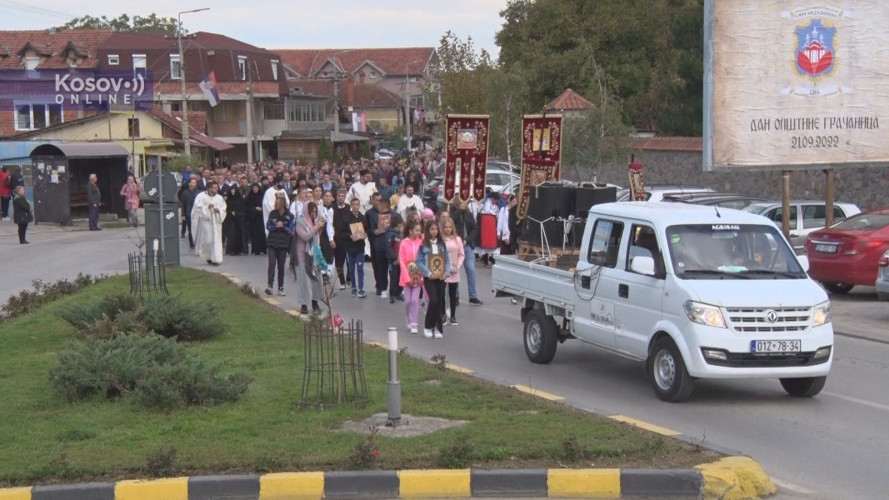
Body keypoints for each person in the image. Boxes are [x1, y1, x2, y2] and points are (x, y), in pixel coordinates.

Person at [416, 220, 450, 339]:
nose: (434, 231)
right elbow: (419, 261)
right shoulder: (423, 245)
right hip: (429, 277)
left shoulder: (442, 244)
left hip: (440, 277)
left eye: (436, 229)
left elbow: (446, 260)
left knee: (440, 302)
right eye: (432, 229)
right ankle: (428, 326)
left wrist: (446, 273)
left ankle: (438, 328)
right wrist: (427, 272)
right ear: (427, 230)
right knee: (433, 300)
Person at [294, 201, 326, 314]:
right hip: (303, 254)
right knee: (304, 280)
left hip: (315, 255)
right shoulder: (300, 221)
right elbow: (305, 236)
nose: (313, 214)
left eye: (315, 212)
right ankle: (304, 304)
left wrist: (319, 227)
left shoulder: (315, 221)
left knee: (317, 279)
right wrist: (316, 227)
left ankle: (315, 301)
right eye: (311, 212)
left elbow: (316, 236)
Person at [449, 198, 483, 305]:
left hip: (467, 245)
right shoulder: (452, 210)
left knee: (471, 270)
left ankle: (473, 296)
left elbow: (475, 228)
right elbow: (450, 222)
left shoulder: (468, 214)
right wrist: (459, 210)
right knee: (455, 270)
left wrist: (467, 240)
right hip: (455, 245)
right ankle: (455, 296)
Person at [191, 181, 226, 266]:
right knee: (208, 240)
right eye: (214, 188)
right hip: (207, 222)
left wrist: (219, 211)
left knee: (216, 241)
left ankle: (217, 259)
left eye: (217, 188)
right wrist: (207, 207)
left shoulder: (219, 198)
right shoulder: (202, 197)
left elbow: (223, 208)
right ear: (209, 188)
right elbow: (198, 209)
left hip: (216, 222)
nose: (216, 189)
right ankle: (208, 257)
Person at [398, 219, 424, 334]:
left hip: (418, 274)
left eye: (420, 230)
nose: (419, 232)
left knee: (415, 300)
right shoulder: (404, 243)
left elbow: (424, 258)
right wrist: (406, 277)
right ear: (410, 231)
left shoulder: (421, 242)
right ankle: (408, 317)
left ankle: (414, 323)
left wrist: (422, 274)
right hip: (407, 275)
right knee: (407, 301)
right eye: (417, 230)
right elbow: (402, 261)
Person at [266, 195, 294, 296]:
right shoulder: (272, 213)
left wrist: (283, 226)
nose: (275, 205)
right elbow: (268, 226)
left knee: (281, 267)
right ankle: (270, 285)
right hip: (272, 243)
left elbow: (291, 230)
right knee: (272, 264)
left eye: (277, 204)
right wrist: (275, 226)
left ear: (282, 204)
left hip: (283, 244)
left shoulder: (290, 216)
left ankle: (281, 287)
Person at [341, 197, 368, 297]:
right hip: (350, 247)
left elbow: (366, 230)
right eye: (354, 204)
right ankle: (354, 287)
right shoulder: (347, 218)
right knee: (351, 268)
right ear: (351, 206)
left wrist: (365, 235)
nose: (356, 206)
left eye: (357, 204)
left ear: (359, 205)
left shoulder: (362, 217)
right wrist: (350, 236)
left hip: (360, 247)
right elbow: (342, 232)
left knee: (360, 268)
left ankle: (361, 288)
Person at [441, 218, 465, 325]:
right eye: (446, 227)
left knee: (452, 294)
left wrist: (458, 265)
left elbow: (461, 254)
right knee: (442, 294)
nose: (448, 229)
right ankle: (443, 315)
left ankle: (453, 316)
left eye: (450, 227)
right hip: (442, 271)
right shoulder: (440, 239)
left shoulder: (457, 240)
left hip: (454, 271)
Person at [331, 189, 351, 290]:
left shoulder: (348, 208)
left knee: (349, 260)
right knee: (339, 261)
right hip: (336, 238)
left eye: (343, 196)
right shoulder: (332, 208)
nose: (340, 198)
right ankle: (342, 281)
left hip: (347, 238)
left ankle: (349, 279)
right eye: (339, 196)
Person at [385, 213, 405, 304]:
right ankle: (392, 295)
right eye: (401, 225)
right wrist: (394, 258)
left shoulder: (399, 234)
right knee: (393, 277)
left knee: (400, 276)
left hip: (400, 259)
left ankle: (399, 293)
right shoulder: (391, 234)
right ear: (399, 224)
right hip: (393, 261)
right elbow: (389, 247)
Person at [224, 185, 248, 255]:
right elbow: (225, 209)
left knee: (238, 235)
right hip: (230, 220)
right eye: (231, 190)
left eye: (234, 190)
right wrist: (230, 212)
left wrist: (237, 213)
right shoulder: (228, 199)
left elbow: (243, 210)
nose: (232, 191)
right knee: (231, 235)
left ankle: (238, 250)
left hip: (239, 221)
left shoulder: (240, 200)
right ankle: (231, 250)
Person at [246, 183, 267, 255]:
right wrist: (255, 208)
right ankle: (255, 249)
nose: (255, 189)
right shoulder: (250, 196)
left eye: (256, 188)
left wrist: (261, 208)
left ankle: (263, 249)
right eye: (254, 188)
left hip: (261, 217)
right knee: (255, 234)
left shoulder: (262, 195)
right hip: (253, 218)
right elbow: (248, 206)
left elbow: (265, 204)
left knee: (262, 233)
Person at [179, 178, 199, 250]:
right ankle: (192, 244)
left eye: (195, 183)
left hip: (197, 213)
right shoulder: (185, 193)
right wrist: (183, 214)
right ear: (189, 183)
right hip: (188, 213)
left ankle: (197, 243)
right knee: (190, 229)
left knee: (198, 229)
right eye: (192, 182)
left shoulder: (198, 192)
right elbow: (183, 204)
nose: (194, 184)